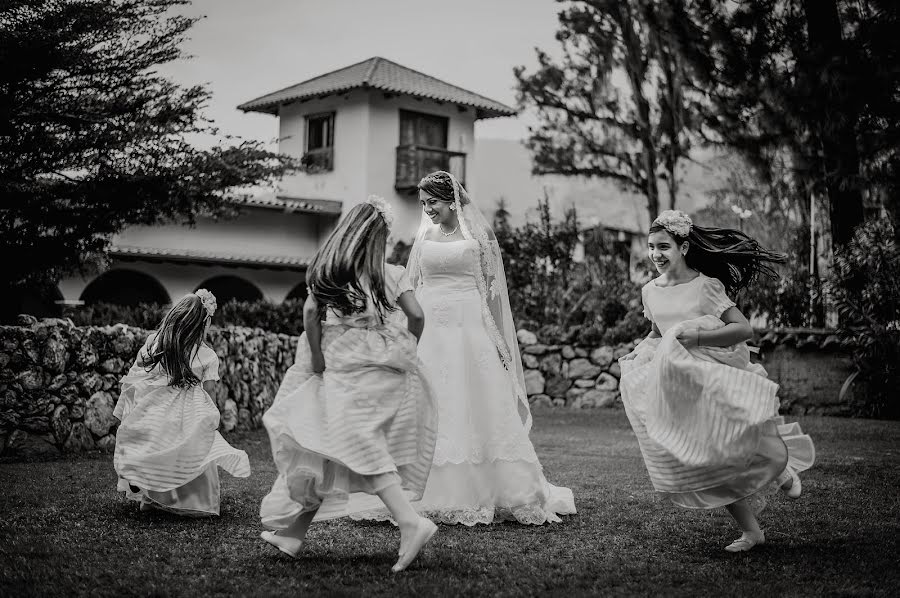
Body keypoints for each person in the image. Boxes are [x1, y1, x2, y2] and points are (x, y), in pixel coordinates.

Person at [259, 197, 439, 573]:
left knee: (348, 439)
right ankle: (293, 533)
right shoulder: (390, 273)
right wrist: (405, 347)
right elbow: (417, 316)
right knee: (327, 445)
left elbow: (310, 313)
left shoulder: (331, 270)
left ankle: (410, 521)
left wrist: (317, 358)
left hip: (341, 364)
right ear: (379, 238)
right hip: (384, 366)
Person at [619, 210, 815, 552]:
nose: (655, 254)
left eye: (663, 246)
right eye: (651, 247)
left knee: (737, 438)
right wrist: (639, 353)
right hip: (679, 386)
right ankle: (752, 532)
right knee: (708, 461)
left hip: (712, 378)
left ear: (683, 247)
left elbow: (742, 329)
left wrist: (695, 338)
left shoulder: (706, 286)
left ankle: (781, 469)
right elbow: (656, 333)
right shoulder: (649, 291)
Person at [403, 170, 576, 525]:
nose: (428, 210)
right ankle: (419, 489)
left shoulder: (478, 236)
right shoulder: (424, 236)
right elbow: (414, 282)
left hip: (468, 326)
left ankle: (495, 487)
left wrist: (497, 340)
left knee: (474, 400)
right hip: (431, 327)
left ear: (450, 199)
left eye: (432, 202)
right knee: (433, 399)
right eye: (423, 204)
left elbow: (492, 293)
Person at [113, 290, 250, 516]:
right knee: (185, 454)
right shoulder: (207, 355)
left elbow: (138, 369)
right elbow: (210, 392)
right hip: (189, 413)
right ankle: (188, 500)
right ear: (202, 323)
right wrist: (211, 418)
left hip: (156, 408)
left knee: (154, 447)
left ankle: (146, 488)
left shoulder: (156, 343)